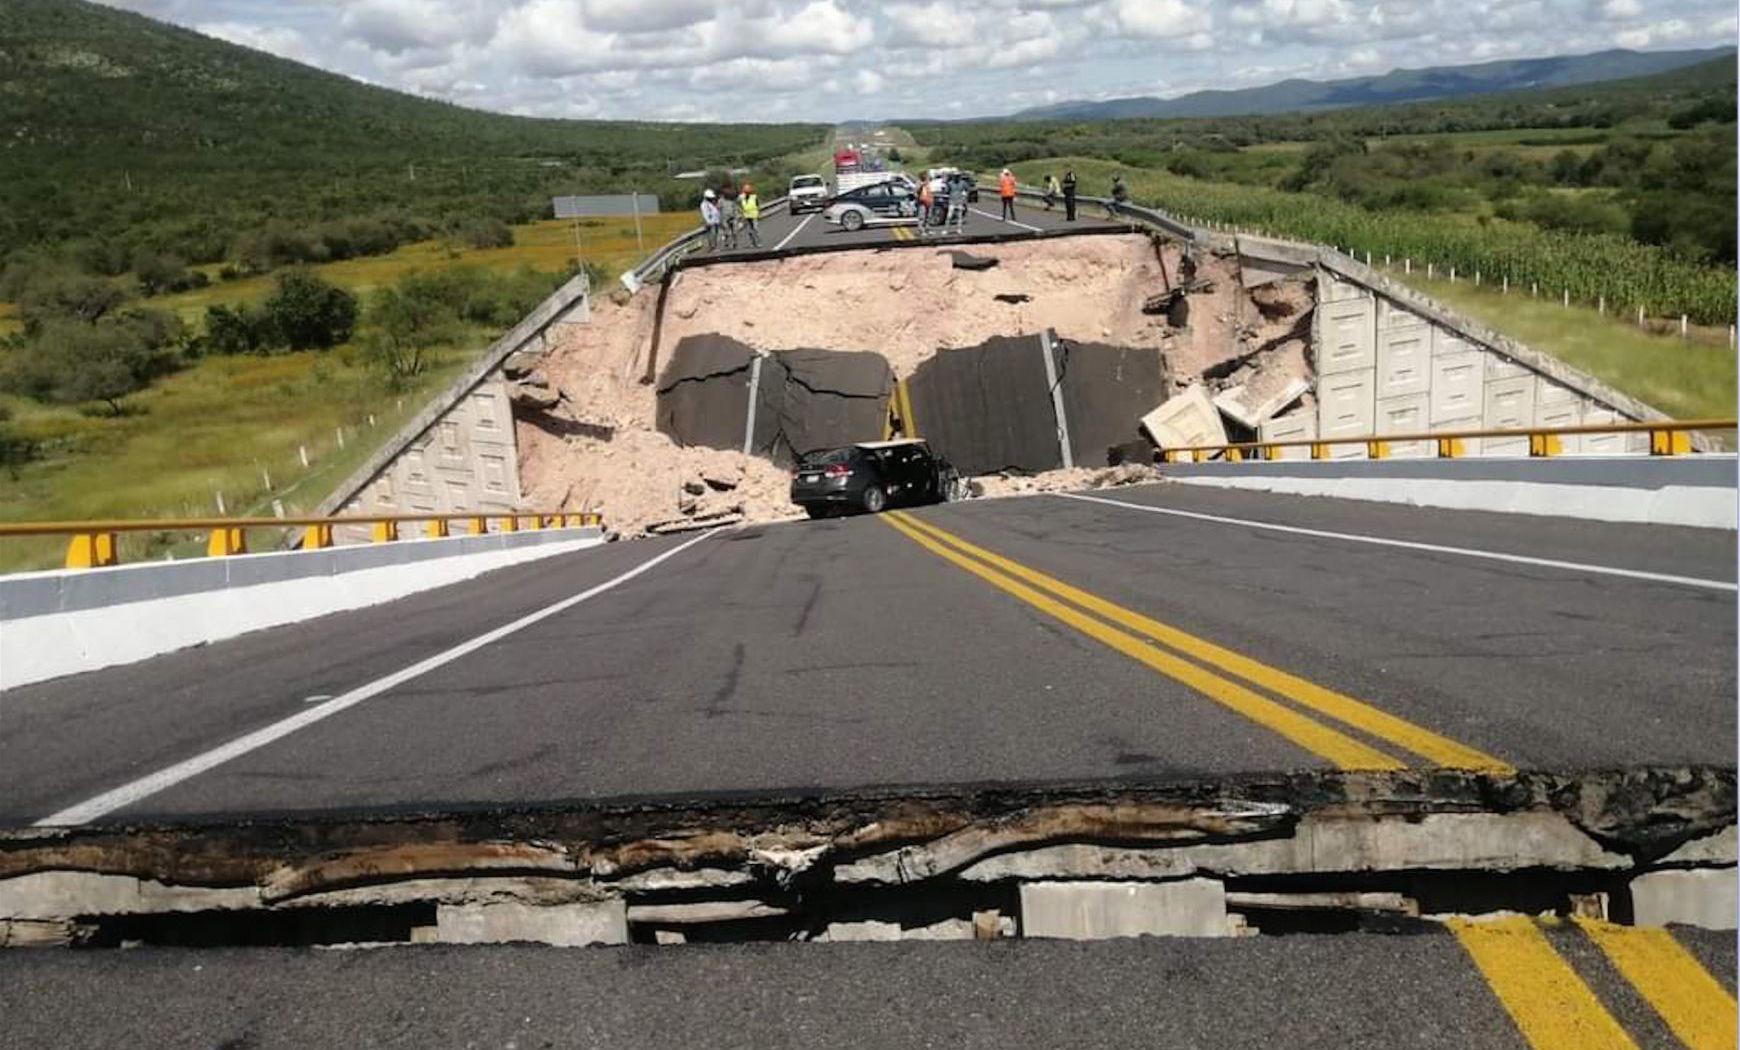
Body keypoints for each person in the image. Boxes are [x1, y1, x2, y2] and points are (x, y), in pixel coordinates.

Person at [719, 184, 741, 249]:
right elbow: (719, 209)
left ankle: (735, 243)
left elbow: (735, 208)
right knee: (726, 232)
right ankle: (727, 243)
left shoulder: (732, 200)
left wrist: (737, 216)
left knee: (735, 231)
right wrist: (720, 219)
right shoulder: (721, 201)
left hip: (733, 217)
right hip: (725, 218)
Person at [739, 182, 761, 248]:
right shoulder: (741, 197)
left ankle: (758, 242)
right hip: (746, 215)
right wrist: (741, 211)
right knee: (749, 231)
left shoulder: (754, 197)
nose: (747, 191)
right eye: (746, 190)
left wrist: (759, 213)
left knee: (755, 229)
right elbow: (738, 203)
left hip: (754, 215)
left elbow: (758, 205)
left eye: (748, 190)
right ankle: (752, 243)